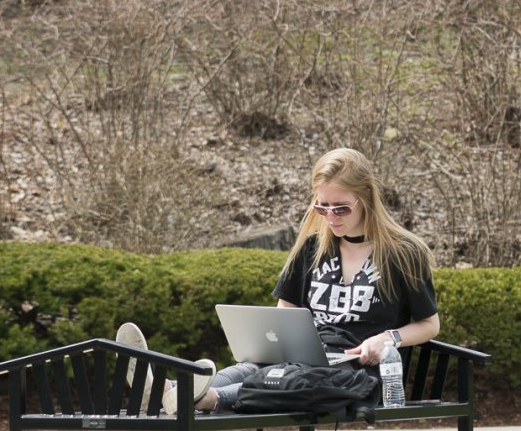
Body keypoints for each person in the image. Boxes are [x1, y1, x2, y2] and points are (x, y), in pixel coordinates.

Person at [125, 146, 441, 413]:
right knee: (251, 369)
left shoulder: (402, 253)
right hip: (303, 359)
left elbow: (430, 325)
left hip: (355, 370)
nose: (331, 217)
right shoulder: (313, 249)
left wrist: (388, 339)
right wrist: (276, 342)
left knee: (302, 379)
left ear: (367, 200)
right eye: (322, 207)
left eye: (341, 208)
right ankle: (169, 391)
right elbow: (283, 315)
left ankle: (205, 398)